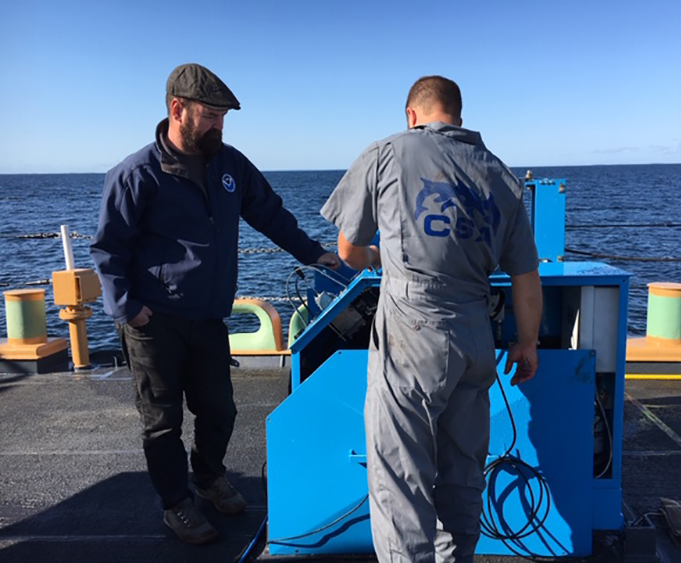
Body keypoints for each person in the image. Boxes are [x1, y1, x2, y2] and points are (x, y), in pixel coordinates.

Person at [90, 63, 339, 545]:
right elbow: (108, 248)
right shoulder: (136, 173)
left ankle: (208, 477)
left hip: (207, 315)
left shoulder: (230, 165)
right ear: (177, 109)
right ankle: (176, 505)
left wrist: (314, 253)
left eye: (224, 117)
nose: (219, 126)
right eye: (210, 115)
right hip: (153, 320)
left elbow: (270, 214)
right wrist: (127, 308)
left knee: (220, 410)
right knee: (162, 421)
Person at [321, 75, 542, 562]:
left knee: (401, 480)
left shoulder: (387, 152)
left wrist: (381, 255)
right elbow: (526, 276)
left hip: (412, 334)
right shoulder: (502, 176)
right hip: (476, 338)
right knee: (462, 474)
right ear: (458, 118)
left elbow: (349, 252)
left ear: (411, 115)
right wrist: (527, 344)